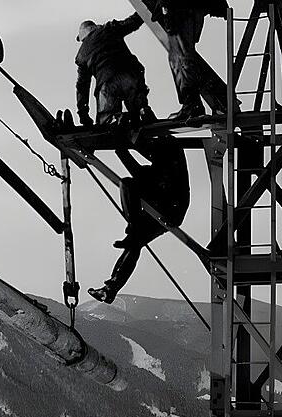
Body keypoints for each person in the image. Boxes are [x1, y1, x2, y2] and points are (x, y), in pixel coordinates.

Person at [88, 136, 190, 304]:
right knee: (135, 241)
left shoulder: (168, 163)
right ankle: (111, 288)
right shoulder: (165, 163)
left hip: (170, 209)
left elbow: (141, 173)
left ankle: (111, 287)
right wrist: (121, 149)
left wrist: (121, 148)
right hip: (163, 205)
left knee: (135, 240)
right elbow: (141, 173)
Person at [145, 0, 230, 120]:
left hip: (182, 10)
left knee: (181, 57)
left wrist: (166, 9)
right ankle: (194, 104)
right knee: (180, 56)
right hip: (186, 10)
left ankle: (192, 105)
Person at [75, 13, 156, 126]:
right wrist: (147, 7)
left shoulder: (81, 55)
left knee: (106, 120)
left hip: (107, 84)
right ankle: (143, 109)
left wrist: (83, 114)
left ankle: (116, 118)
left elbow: (82, 87)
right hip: (131, 76)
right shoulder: (109, 29)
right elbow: (132, 22)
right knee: (137, 101)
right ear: (95, 27)